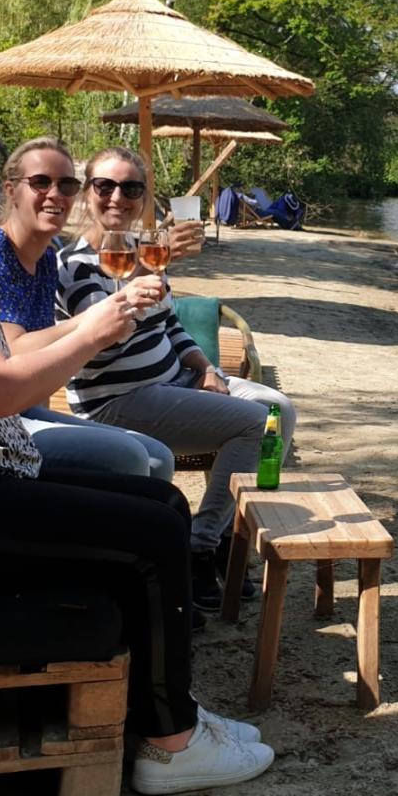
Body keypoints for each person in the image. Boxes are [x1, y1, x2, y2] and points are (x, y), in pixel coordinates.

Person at [0, 129, 273, 795]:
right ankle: (172, 746)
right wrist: (94, 328)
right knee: (151, 533)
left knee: (164, 504)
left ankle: (167, 709)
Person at [56, 146, 297, 613]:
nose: (117, 198)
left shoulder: (148, 257)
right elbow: (104, 342)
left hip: (176, 384)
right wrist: (144, 274)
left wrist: (206, 368)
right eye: (105, 186)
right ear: (88, 193)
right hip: (120, 400)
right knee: (256, 423)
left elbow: (171, 326)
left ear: (145, 197)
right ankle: (199, 546)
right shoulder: (75, 265)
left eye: (131, 188)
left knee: (280, 410)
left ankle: (230, 532)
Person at [0, 136, 174, 481]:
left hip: (26, 406)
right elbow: (12, 350)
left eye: (66, 184)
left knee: (160, 457)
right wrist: (96, 320)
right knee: (132, 456)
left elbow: (42, 361)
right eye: (40, 182)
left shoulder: (48, 256)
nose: (55, 194)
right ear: (11, 190)